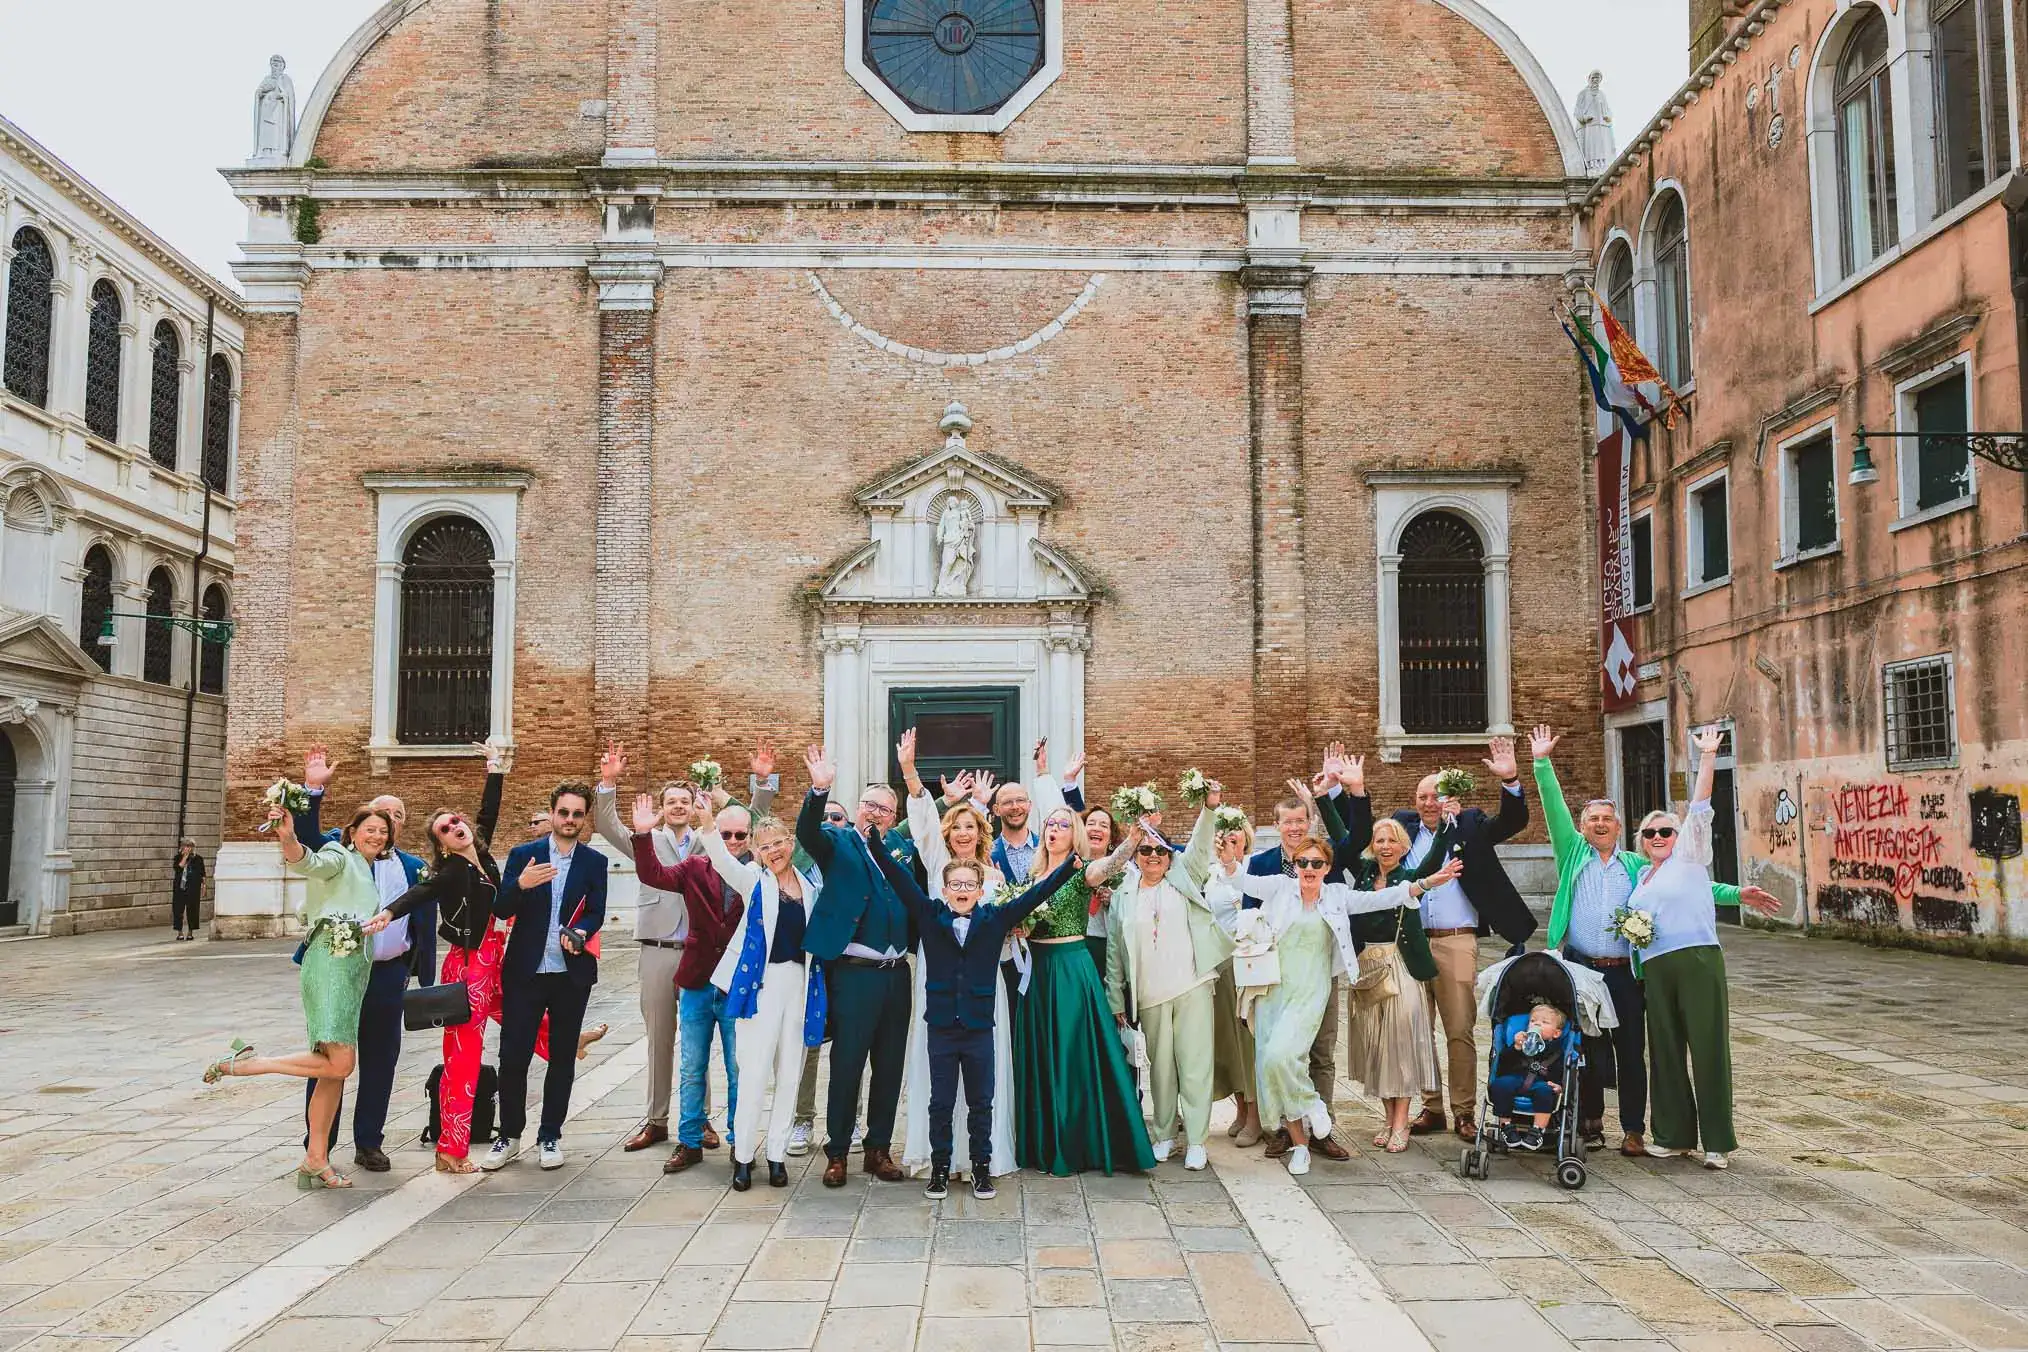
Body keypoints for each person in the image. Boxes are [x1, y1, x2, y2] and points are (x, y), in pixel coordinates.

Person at [1532, 725, 1776, 1156]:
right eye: (1592, 819)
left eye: (1607, 818)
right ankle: (1590, 1122)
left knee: (1631, 1052)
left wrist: (1737, 893)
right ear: (1584, 828)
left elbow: (1700, 886)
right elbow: (1554, 812)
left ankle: (1633, 1129)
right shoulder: (1574, 855)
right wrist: (1542, 763)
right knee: (1586, 1049)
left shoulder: (1635, 866)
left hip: (1626, 971)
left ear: (1619, 827)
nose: (1599, 824)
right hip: (1581, 966)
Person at [1209, 837, 1460, 1175]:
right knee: (1271, 1063)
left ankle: (1312, 1106)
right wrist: (1227, 861)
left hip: (1312, 991)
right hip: (1273, 991)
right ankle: (1301, 1143)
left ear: (1327, 868)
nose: (1309, 869)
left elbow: (1381, 898)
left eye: (1316, 864)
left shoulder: (1338, 896)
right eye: (1303, 863)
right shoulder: (1280, 888)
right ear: (1294, 866)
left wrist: (1427, 883)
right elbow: (1243, 880)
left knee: (1285, 1057)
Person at [202, 798, 390, 1190]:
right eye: (369, 828)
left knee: (330, 1071)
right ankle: (248, 1063)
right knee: (340, 1064)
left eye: (383, 830)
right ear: (353, 833)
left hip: (352, 970)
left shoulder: (366, 869)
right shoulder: (340, 854)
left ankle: (315, 1159)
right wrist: (288, 838)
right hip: (331, 963)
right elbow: (308, 861)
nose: (377, 835)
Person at [876, 850, 1078, 1199]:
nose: (962, 889)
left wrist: (1067, 868)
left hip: (979, 1027)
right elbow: (899, 879)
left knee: (981, 1101)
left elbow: (1036, 895)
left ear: (980, 889)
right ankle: (939, 1168)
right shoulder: (929, 915)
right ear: (945, 889)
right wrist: (875, 844)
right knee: (940, 1101)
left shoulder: (995, 920)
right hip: (941, 1027)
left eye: (969, 884)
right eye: (955, 884)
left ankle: (981, 1168)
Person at [1628, 726, 1781, 1170]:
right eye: (1649, 833)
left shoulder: (1689, 856)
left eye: (1665, 832)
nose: (1658, 838)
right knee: (1665, 1050)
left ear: (1678, 836)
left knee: (1708, 1046)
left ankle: (1717, 1139)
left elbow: (1699, 809)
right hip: (1655, 968)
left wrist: (1709, 757)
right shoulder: (1641, 879)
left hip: (1697, 960)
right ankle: (1673, 1135)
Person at [291, 746, 433, 1173]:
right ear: (357, 828)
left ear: (399, 827)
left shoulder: (415, 867)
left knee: (380, 1060)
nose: (384, 826)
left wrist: (419, 972)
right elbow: (307, 837)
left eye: (394, 818)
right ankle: (318, 1142)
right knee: (328, 1056)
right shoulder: (341, 855)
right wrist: (313, 789)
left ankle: (369, 1141)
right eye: (376, 818)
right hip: (341, 970)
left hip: (389, 975)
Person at [1387, 738, 1531, 1143]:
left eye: (1435, 795)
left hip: (1456, 942)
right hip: (1412, 943)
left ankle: (1464, 1112)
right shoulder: (1404, 829)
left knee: (1459, 1030)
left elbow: (1513, 822)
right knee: (1418, 1029)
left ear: (1448, 796)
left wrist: (1511, 780)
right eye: (1421, 796)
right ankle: (1431, 1108)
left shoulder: (1468, 824)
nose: (1429, 802)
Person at [683, 796, 823, 1191]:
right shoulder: (753, 881)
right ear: (757, 853)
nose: (773, 851)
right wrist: (709, 823)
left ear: (790, 842)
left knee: (790, 1074)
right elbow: (724, 862)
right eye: (764, 846)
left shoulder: (810, 887)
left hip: (798, 985)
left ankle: (776, 1155)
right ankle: (744, 1156)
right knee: (754, 1072)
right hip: (760, 987)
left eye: (778, 842)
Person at [896, 733, 1016, 1179]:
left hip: (985, 986)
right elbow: (924, 817)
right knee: (941, 1074)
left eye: (970, 827)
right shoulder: (937, 863)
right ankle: (942, 1156)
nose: (963, 833)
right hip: (941, 980)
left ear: (981, 832)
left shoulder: (997, 877)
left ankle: (980, 1156)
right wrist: (910, 771)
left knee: (984, 1073)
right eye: (956, 827)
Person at [798, 746, 918, 1186]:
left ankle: (878, 1149)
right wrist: (819, 789)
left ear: (894, 815)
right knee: (847, 1063)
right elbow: (807, 832)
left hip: (896, 974)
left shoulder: (905, 849)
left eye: (884, 809)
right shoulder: (838, 843)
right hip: (852, 974)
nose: (875, 813)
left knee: (890, 1066)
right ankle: (837, 1152)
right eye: (868, 805)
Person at [1013, 806, 1154, 1176]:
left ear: (1073, 834)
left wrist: (1132, 843)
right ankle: (1042, 1142)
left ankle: (1076, 1143)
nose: (1054, 830)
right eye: (1050, 824)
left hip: (1070, 970)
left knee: (1071, 1053)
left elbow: (1106, 868)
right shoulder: (1031, 876)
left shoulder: (1080, 871)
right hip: (1038, 971)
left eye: (1063, 824)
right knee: (1044, 1054)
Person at [626, 794, 758, 1174]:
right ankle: (689, 1142)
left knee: (739, 1068)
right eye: (726, 834)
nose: (732, 842)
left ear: (749, 837)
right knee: (691, 1066)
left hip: (737, 987)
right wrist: (642, 836)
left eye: (739, 835)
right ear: (714, 831)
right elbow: (654, 876)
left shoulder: (759, 874)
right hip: (698, 980)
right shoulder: (696, 866)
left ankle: (740, 1142)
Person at [484, 782, 607, 1172]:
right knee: (513, 1056)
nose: (570, 820)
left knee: (561, 1058)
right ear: (552, 813)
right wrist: (520, 884)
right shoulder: (524, 855)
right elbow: (502, 909)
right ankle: (510, 1134)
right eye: (564, 812)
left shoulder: (594, 862)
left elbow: (597, 912)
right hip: (525, 973)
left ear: (584, 818)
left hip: (570, 974)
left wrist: (583, 933)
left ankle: (550, 1135)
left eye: (577, 814)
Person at [1103, 806, 1234, 1171]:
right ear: (1137, 855)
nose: (1154, 857)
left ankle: (1196, 1139)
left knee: (1194, 1065)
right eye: (1146, 851)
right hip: (1149, 993)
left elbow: (1201, 845)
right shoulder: (1124, 894)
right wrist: (1116, 997)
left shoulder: (1184, 879)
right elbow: (1115, 950)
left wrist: (1209, 808)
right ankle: (1164, 1134)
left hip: (1192, 984)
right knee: (1160, 1068)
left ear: (1170, 856)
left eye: (1161, 851)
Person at [1247, 775, 1354, 1161]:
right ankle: (1280, 1129)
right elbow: (1246, 914)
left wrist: (1322, 798)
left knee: (1320, 1052)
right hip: (1274, 977)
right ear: (1277, 825)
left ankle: (1321, 1130)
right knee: (1272, 1052)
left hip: (1319, 974)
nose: (1294, 827)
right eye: (1287, 821)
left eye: (1300, 820)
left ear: (1309, 822)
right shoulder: (1260, 865)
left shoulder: (1328, 859)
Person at [1345, 818, 1441, 1153]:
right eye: (1379, 840)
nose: (1385, 846)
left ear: (1403, 846)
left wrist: (1448, 820)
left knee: (1399, 1044)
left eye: (1392, 840)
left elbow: (1439, 850)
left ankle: (1402, 1121)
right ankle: (1388, 1118)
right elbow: (1344, 832)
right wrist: (1324, 798)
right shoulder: (1365, 874)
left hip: (1400, 967)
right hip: (1367, 965)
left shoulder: (1411, 877)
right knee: (1377, 1046)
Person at [1490, 1002, 1568, 1151]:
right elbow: (1503, 1065)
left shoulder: (1556, 1050)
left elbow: (1560, 1070)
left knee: (1546, 1091)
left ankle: (1537, 1130)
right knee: (1500, 1085)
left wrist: (1559, 1085)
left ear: (1556, 1033)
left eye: (1544, 1022)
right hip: (1517, 1078)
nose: (1537, 1024)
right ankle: (1506, 1126)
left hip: (1541, 1082)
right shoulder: (1521, 1043)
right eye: (1533, 1021)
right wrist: (1516, 1047)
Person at [171, 839, 205, 941]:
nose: (188, 848)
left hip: (193, 887)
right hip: (180, 887)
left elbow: (202, 873)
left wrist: (204, 886)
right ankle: (180, 932)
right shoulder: (178, 858)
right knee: (178, 910)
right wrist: (185, 857)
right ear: (182, 847)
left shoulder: (198, 859)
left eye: (190, 846)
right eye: (186, 846)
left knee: (193, 910)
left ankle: (190, 932)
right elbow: (178, 867)